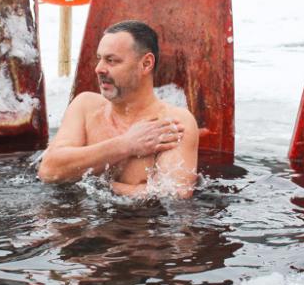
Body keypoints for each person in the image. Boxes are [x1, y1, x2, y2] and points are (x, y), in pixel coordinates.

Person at [38, 20, 199, 198]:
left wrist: (99, 184)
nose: (99, 69)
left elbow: (173, 195)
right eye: (99, 58)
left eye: (111, 60)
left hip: (137, 217)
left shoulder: (172, 123)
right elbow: (48, 171)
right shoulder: (85, 106)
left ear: (146, 64)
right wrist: (126, 145)